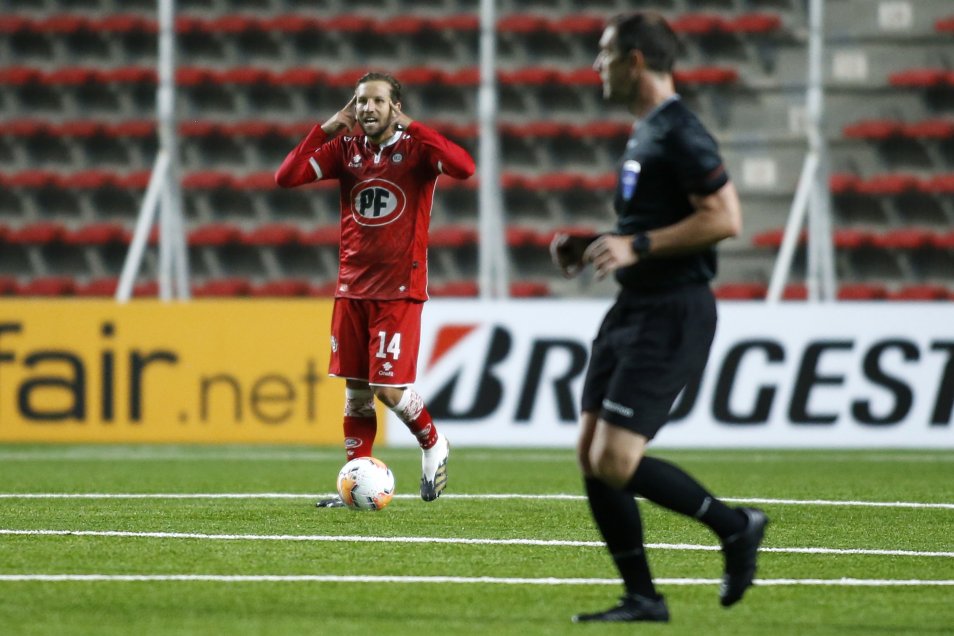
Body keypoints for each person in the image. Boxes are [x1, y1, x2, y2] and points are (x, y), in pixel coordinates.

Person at [549, 12, 768, 623]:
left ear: (635, 61)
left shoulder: (680, 131)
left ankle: (735, 526)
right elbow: (648, 224)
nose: (596, 66)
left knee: (616, 460)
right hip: (633, 307)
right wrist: (596, 241)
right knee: (591, 453)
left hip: (673, 311)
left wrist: (636, 248)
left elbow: (725, 218)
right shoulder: (645, 131)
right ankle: (643, 598)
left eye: (604, 53)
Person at [275, 72, 475, 506]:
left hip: (398, 290)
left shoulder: (417, 149)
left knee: (387, 390)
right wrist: (328, 126)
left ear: (394, 107)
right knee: (356, 394)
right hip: (351, 289)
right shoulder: (345, 150)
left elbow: (464, 166)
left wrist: (415, 126)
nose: (366, 109)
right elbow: (286, 177)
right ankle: (355, 479)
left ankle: (433, 443)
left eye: (377, 101)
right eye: (360, 101)